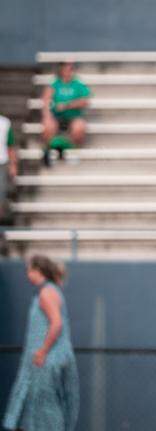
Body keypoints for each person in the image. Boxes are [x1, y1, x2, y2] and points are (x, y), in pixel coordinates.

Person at [2, 255, 78, 431]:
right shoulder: (51, 290)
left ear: (38, 271)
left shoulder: (46, 293)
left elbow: (56, 323)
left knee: (45, 406)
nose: (27, 274)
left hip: (45, 362)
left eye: (29, 270)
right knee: (35, 406)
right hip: (45, 361)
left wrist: (42, 351)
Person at [41, 62, 90, 167]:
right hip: (56, 116)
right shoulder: (55, 84)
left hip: (73, 116)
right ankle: (50, 152)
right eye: (67, 69)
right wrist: (47, 116)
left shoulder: (78, 83)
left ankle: (70, 150)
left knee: (79, 127)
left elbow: (85, 101)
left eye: (71, 69)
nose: (69, 71)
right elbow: (46, 100)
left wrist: (67, 105)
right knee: (47, 126)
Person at [0, 114, 17, 219]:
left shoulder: (5, 122)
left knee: (0, 197)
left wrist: (13, 165)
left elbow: (10, 146)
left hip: (1, 163)